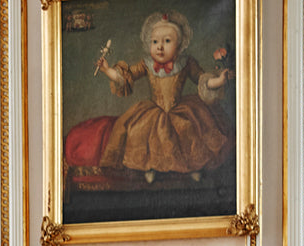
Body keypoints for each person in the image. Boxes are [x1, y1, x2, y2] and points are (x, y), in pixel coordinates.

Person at [94, 10, 233, 184]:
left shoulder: (186, 62)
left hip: (180, 109)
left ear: (179, 45)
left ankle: (192, 167)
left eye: (167, 41)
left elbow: (202, 80)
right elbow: (126, 76)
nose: (159, 47)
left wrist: (219, 80)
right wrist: (108, 70)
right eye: (155, 42)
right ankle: (150, 167)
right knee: (140, 131)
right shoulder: (146, 64)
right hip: (155, 109)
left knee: (188, 130)